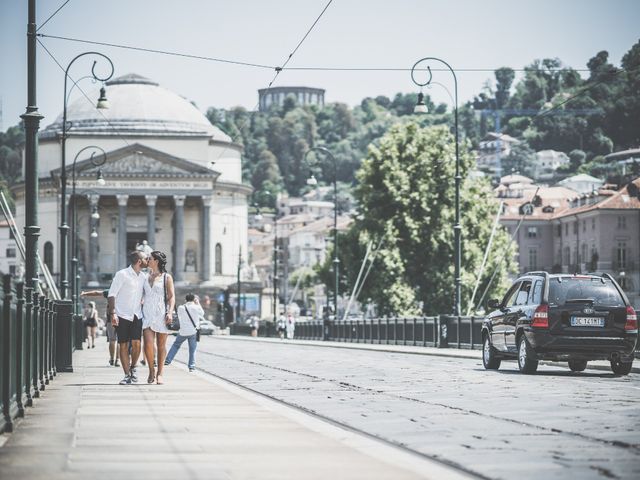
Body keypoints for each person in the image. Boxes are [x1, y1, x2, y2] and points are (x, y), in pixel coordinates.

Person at [108, 251, 148, 385]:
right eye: (145, 258)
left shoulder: (144, 277)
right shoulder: (122, 274)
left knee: (137, 343)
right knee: (123, 345)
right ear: (139, 261)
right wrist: (113, 313)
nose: (147, 260)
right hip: (122, 315)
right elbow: (111, 294)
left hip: (137, 315)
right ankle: (126, 375)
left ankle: (133, 368)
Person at [142, 250, 175, 385]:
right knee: (148, 344)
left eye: (149, 258)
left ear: (156, 261)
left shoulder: (167, 277)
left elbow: (171, 297)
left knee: (161, 345)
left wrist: (170, 312)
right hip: (147, 313)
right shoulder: (144, 276)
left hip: (161, 313)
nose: (147, 260)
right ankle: (151, 370)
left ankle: (160, 373)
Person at [165, 293, 203, 372]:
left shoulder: (181, 307)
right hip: (193, 331)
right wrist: (198, 303)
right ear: (193, 299)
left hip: (183, 331)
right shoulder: (196, 307)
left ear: (185, 300)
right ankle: (191, 366)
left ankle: (168, 360)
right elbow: (202, 314)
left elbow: (179, 316)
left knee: (176, 345)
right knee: (192, 349)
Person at [81, 288, 119, 366]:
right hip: (123, 319)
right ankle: (117, 360)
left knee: (112, 340)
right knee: (120, 341)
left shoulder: (110, 291)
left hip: (111, 319)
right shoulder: (125, 291)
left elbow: (96, 293)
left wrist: (85, 293)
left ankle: (112, 359)